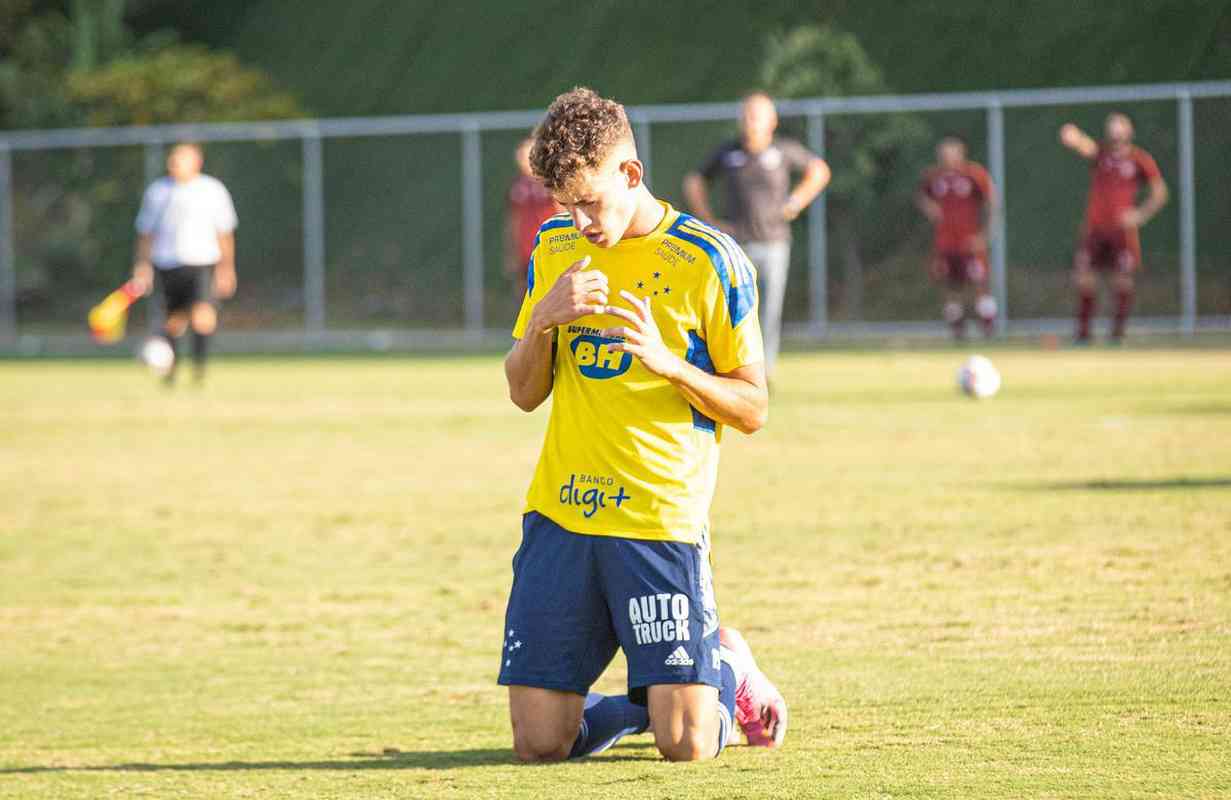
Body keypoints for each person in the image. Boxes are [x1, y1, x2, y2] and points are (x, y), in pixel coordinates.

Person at [500, 87, 786, 764]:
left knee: (685, 745)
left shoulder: (710, 261)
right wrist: (544, 318)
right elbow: (522, 393)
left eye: (589, 202)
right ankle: (648, 699)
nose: (578, 221)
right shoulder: (554, 247)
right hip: (563, 517)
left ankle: (727, 671)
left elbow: (753, 408)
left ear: (630, 175)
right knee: (539, 745)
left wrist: (669, 365)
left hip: (658, 521)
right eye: (564, 205)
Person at [683, 92, 829, 379]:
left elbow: (819, 170)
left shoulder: (782, 150)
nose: (750, 121)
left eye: (757, 115)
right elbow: (694, 181)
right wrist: (710, 220)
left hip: (774, 244)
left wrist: (796, 202)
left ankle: (764, 373)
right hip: (736, 247)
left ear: (772, 120)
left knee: (769, 313)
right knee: (734, 312)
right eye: (747, 114)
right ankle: (732, 368)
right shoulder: (729, 152)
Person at [130, 142, 237, 384]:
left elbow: (225, 233)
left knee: (203, 316)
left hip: (202, 262)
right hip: (167, 263)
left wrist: (226, 268)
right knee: (174, 321)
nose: (174, 164)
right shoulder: (157, 192)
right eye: (173, 159)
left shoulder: (212, 190)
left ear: (196, 162)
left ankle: (199, 371)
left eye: (181, 159)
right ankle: (171, 371)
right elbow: (146, 233)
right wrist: (143, 265)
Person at [1060, 113, 1168, 344]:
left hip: (1122, 232)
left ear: (1129, 131)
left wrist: (1140, 215)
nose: (1115, 131)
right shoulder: (1102, 154)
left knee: (1122, 280)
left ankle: (1117, 335)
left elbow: (1160, 192)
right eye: (1112, 127)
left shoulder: (1139, 159)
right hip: (1095, 229)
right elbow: (1085, 146)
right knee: (1085, 278)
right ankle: (1083, 334)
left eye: (1120, 127)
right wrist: (1075, 136)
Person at [915, 136, 999, 340]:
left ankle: (988, 326)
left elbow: (992, 202)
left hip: (969, 241)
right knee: (951, 286)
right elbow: (921, 195)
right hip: (945, 242)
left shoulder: (974, 173)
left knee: (979, 283)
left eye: (952, 154)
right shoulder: (934, 176)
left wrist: (985, 234)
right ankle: (957, 330)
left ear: (961, 154)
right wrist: (930, 208)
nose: (948, 159)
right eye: (944, 155)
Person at [505, 137, 563, 299]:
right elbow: (513, 221)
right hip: (525, 251)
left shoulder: (552, 182)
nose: (522, 157)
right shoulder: (518, 184)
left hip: (550, 248)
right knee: (526, 296)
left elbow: (564, 212)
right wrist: (511, 253)